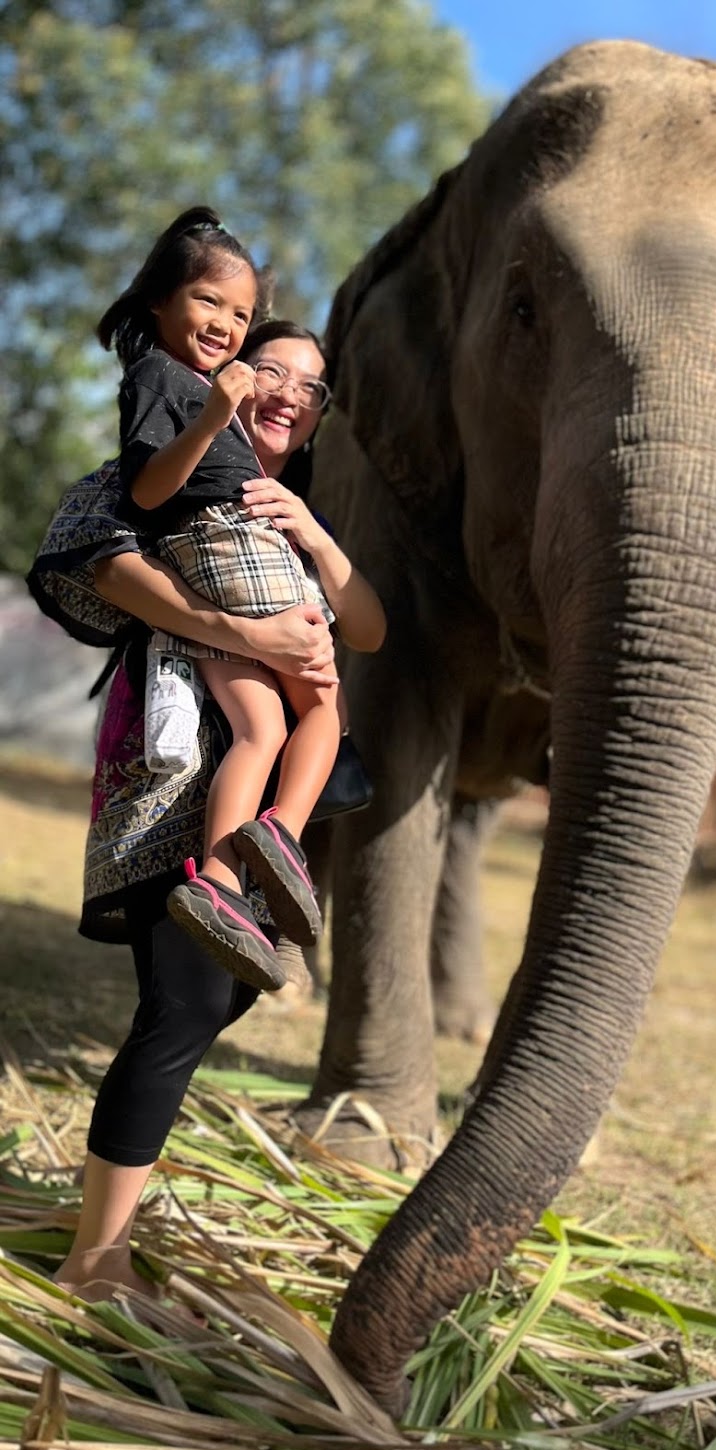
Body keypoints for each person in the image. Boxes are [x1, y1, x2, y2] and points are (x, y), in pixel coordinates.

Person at [38, 319, 384, 1301]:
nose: (286, 392)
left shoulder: (287, 511)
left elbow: (365, 625)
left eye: (309, 388)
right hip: (173, 778)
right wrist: (244, 630)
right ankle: (93, 1264)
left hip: (261, 809)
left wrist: (313, 542)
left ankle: (102, 1224)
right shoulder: (157, 474)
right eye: (267, 369)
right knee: (183, 1006)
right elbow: (96, 564)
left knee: (213, 1000)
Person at [98, 206, 368, 991]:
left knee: (264, 724)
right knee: (324, 705)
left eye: (240, 312)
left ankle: (218, 882)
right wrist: (219, 409)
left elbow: (372, 622)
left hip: (208, 557)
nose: (224, 322)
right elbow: (148, 492)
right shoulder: (166, 380)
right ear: (159, 300)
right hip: (224, 542)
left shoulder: (183, 386)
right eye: (209, 301)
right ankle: (280, 833)